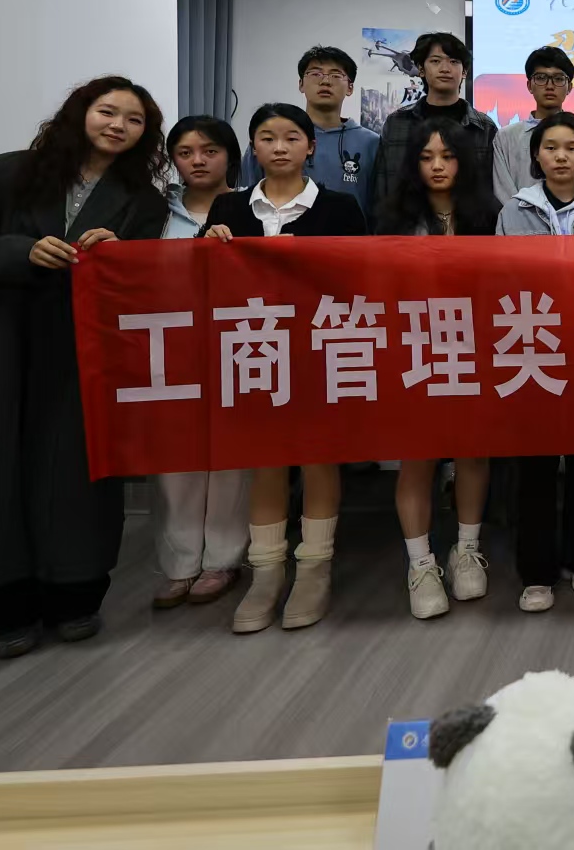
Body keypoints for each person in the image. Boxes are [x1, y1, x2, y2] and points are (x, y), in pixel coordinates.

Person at [0, 76, 170, 659]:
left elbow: (141, 281)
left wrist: (118, 258)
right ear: (80, 112)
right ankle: (6, 611)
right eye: (108, 111)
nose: (118, 126)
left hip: (82, 350)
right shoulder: (0, 173)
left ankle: (75, 599)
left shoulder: (145, 200)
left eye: (134, 121)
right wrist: (22, 250)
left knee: (75, 475)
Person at [204, 103, 369, 634]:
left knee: (319, 458)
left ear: (309, 147)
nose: (279, 147)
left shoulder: (340, 207)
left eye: (291, 137)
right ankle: (266, 573)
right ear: (253, 148)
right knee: (266, 460)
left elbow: (359, 280)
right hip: (252, 350)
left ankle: (314, 569)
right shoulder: (228, 207)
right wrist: (206, 249)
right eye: (268, 138)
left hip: (319, 348)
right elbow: (203, 284)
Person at [376, 117, 503, 620]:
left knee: (472, 453)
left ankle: (466, 550)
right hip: (412, 351)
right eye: (427, 157)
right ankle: (421, 563)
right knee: (418, 459)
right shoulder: (392, 219)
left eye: (447, 157)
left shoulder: (488, 216)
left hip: (475, 349)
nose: (437, 166)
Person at [497, 113, 574, 613]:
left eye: (572, 147)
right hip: (534, 348)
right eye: (551, 147)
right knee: (537, 467)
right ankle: (537, 572)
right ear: (536, 155)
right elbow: (503, 278)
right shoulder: (515, 210)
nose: (561, 156)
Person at [153, 115, 251, 611]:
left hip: (238, 343)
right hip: (168, 344)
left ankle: (223, 560)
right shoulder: (153, 211)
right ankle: (180, 564)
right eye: (185, 152)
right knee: (176, 457)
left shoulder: (250, 205)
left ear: (229, 156)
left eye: (210, 151)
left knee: (232, 455)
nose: (197, 161)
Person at [371, 32, 496, 228]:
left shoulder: (484, 127)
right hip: (405, 229)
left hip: (469, 231)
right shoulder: (397, 122)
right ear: (421, 69)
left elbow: (489, 189)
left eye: (454, 62)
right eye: (436, 61)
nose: (445, 69)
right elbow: (382, 184)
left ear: (464, 71)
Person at [240, 46, 381, 220]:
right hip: (281, 234)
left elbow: (381, 204)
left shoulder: (371, 142)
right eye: (315, 74)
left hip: (351, 235)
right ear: (301, 84)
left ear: (350, 87)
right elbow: (247, 196)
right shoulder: (273, 139)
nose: (325, 81)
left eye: (336, 75)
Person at [493, 45, 574, 201]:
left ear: (569, 87)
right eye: (541, 78)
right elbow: (503, 190)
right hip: (518, 216)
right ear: (529, 85)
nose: (549, 86)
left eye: (558, 79)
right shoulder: (506, 137)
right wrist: (520, 213)